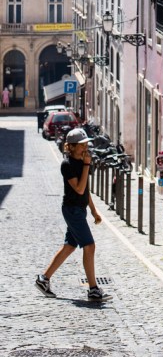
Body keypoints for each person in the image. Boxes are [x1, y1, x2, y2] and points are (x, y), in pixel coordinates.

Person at [35, 126, 104, 301]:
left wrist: (94, 211)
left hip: (79, 210)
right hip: (72, 210)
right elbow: (79, 189)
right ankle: (93, 289)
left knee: (69, 246)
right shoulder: (67, 165)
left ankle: (44, 279)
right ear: (71, 147)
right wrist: (87, 165)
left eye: (86, 144)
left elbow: (86, 191)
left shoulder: (82, 162)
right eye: (81, 145)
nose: (85, 148)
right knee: (89, 246)